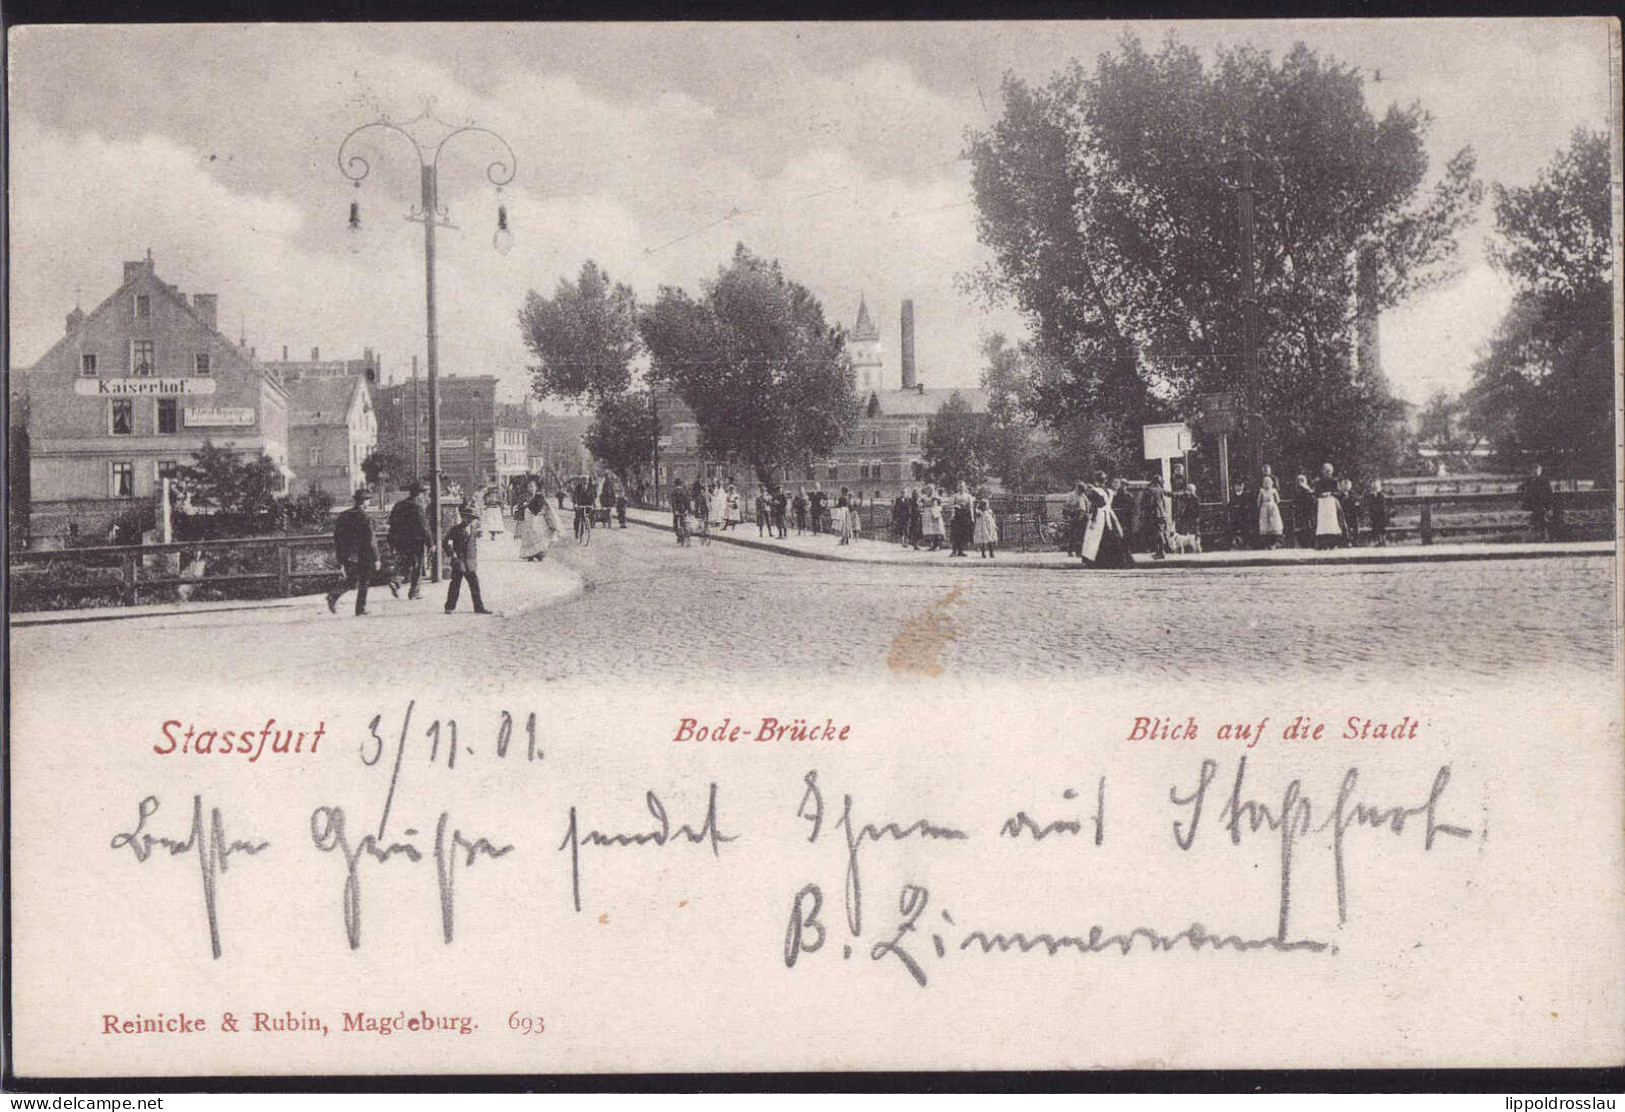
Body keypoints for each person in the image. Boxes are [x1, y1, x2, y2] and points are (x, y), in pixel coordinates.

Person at [328, 487, 383, 616]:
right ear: (365, 501)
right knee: (364, 580)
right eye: (368, 500)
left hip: (348, 554)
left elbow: (337, 536)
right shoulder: (366, 517)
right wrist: (377, 558)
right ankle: (360, 608)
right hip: (364, 554)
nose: (369, 503)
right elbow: (371, 540)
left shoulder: (344, 515)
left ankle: (334, 596)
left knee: (352, 580)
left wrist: (341, 555)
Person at [443, 503, 492, 614]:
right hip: (458, 561)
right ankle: (449, 607)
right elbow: (445, 543)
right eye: (467, 518)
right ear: (462, 517)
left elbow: (473, 545)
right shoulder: (455, 529)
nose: (469, 520)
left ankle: (479, 607)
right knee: (455, 584)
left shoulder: (473, 529)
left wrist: (474, 558)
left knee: (475, 584)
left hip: (470, 562)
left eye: (471, 518)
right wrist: (452, 554)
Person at [387, 481, 431, 598]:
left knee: (405, 562)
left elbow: (391, 522)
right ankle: (414, 592)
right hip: (416, 541)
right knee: (417, 565)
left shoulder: (399, 505)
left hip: (401, 540)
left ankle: (396, 581)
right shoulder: (417, 507)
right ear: (420, 494)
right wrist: (430, 543)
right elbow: (424, 527)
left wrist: (392, 541)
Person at [1084, 474, 1134, 569]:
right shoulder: (1109, 491)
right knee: (1113, 536)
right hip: (1109, 515)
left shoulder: (1096, 491)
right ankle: (1119, 561)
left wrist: (1093, 520)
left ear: (1096, 481)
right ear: (1105, 481)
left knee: (1097, 538)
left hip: (1099, 516)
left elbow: (1096, 506)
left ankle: (1099, 561)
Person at [520, 484, 561, 561]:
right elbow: (520, 507)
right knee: (530, 535)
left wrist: (528, 505)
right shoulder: (524, 497)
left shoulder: (539, 497)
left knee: (540, 535)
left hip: (538, 518)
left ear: (536, 488)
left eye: (532, 486)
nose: (530, 488)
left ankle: (539, 553)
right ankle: (530, 554)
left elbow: (541, 508)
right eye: (529, 486)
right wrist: (523, 506)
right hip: (529, 518)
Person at [1313, 463, 1345, 550]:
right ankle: (1323, 543)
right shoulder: (1318, 482)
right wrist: (1320, 494)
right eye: (1325, 471)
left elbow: (1339, 493)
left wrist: (1330, 493)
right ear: (1322, 471)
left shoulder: (1334, 481)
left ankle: (1333, 543)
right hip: (1322, 504)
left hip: (1331, 504)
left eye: (1329, 471)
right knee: (1322, 524)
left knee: (1332, 523)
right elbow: (1315, 493)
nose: (1327, 473)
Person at [1145, 473, 1174, 559]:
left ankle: (1161, 551)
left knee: (1158, 533)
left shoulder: (1151, 490)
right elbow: (1171, 494)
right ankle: (1162, 550)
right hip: (1162, 514)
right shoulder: (1161, 489)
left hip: (1155, 514)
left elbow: (1149, 503)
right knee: (1161, 531)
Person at [1522, 463, 1553, 541]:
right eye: (1534, 470)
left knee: (1540, 518)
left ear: (1540, 471)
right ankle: (1537, 536)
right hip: (1532, 504)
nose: (1536, 472)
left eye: (1538, 470)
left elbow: (1549, 493)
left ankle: (1543, 536)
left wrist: (1548, 507)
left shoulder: (1544, 481)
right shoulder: (1529, 481)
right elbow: (1524, 489)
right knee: (1536, 519)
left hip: (1541, 504)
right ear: (1531, 471)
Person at [947, 481, 975, 558]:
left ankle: (961, 551)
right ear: (957, 487)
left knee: (963, 534)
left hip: (965, 516)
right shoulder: (955, 496)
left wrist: (972, 517)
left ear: (965, 487)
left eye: (962, 486)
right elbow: (950, 505)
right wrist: (956, 506)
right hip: (957, 516)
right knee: (956, 534)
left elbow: (971, 507)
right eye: (959, 486)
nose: (961, 488)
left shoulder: (968, 496)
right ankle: (954, 550)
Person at [1257, 474, 1284, 549]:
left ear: (1271, 483)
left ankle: (1274, 543)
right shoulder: (1261, 491)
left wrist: (1273, 504)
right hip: (1264, 508)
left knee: (1273, 523)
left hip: (1272, 507)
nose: (1267, 484)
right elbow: (1259, 500)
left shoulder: (1273, 490)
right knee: (1265, 523)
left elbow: (1278, 500)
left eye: (1268, 482)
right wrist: (1260, 505)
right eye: (1265, 483)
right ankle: (1265, 543)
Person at [1226, 479, 1252, 550]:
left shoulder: (1246, 495)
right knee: (1234, 529)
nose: (1238, 487)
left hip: (1243, 516)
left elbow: (1247, 505)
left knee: (1245, 530)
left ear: (1243, 486)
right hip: (1235, 516)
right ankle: (1235, 545)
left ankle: (1246, 544)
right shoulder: (1233, 496)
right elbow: (1230, 506)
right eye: (1237, 486)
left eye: (1240, 485)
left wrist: (1242, 507)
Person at [1293, 474, 1317, 549]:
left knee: (1309, 526)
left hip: (1308, 511)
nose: (1300, 482)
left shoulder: (1308, 491)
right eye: (1298, 481)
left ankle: (1309, 543)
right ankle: (1301, 544)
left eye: (1302, 480)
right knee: (1300, 528)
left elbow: (1313, 500)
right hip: (1300, 512)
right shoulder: (1296, 492)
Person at [1366, 480, 1390, 547]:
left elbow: (1382, 505)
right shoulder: (1371, 496)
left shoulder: (1381, 495)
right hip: (1374, 515)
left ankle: (1383, 541)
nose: (1375, 488)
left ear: (1379, 488)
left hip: (1381, 514)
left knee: (1382, 528)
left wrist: (1376, 509)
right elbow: (1370, 505)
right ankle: (1379, 541)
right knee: (1376, 528)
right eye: (1373, 487)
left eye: (1376, 487)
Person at [1339, 477, 1361, 546]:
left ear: (1350, 486)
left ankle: (1354, 541)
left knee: (1355, 526)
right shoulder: (1339, 496)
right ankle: (1346, 541)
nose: (1346, 486)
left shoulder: (1353, 496)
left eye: (1347, 485)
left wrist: (1357, 508)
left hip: (1352, 514)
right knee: (1344, 527)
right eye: (1344, 485)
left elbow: (1357, 505)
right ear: (1341, 487)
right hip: (1343, 514)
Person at [922, 487, 945, 551]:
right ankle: (932, 545)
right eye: (928, 490)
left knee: (937, 529)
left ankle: (938, 545)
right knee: (930, 530)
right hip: (928, 515)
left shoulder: (935, 497)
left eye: (930, 490)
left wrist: (938, 508)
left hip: (935, 514)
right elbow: (923, 504)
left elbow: (939, 504)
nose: (928, 491)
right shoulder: (924, 497)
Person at [670, 480, 692, 546]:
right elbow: (688, 501)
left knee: (675, 524)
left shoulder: (673, 492)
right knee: (685, 524)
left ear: (675, 484)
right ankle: (686, 538)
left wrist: (675, 510)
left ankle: (679, 537)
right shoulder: (684, 491)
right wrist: (688, 510)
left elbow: (673, 502)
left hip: (677, 510)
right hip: (684, 510)